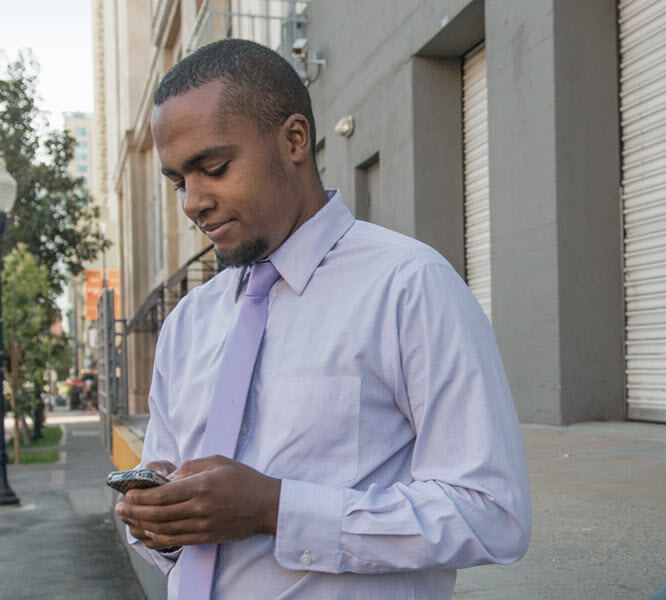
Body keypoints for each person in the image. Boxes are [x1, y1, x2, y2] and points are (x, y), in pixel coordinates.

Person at [113, 39, 530, 599]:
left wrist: (275, 509)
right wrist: (161, 522)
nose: (192, 202)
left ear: (294, 140)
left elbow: (491, 515)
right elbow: (176, 526)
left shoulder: (409, 287)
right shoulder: (188, 323)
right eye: (178, 181)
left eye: (213, 168)